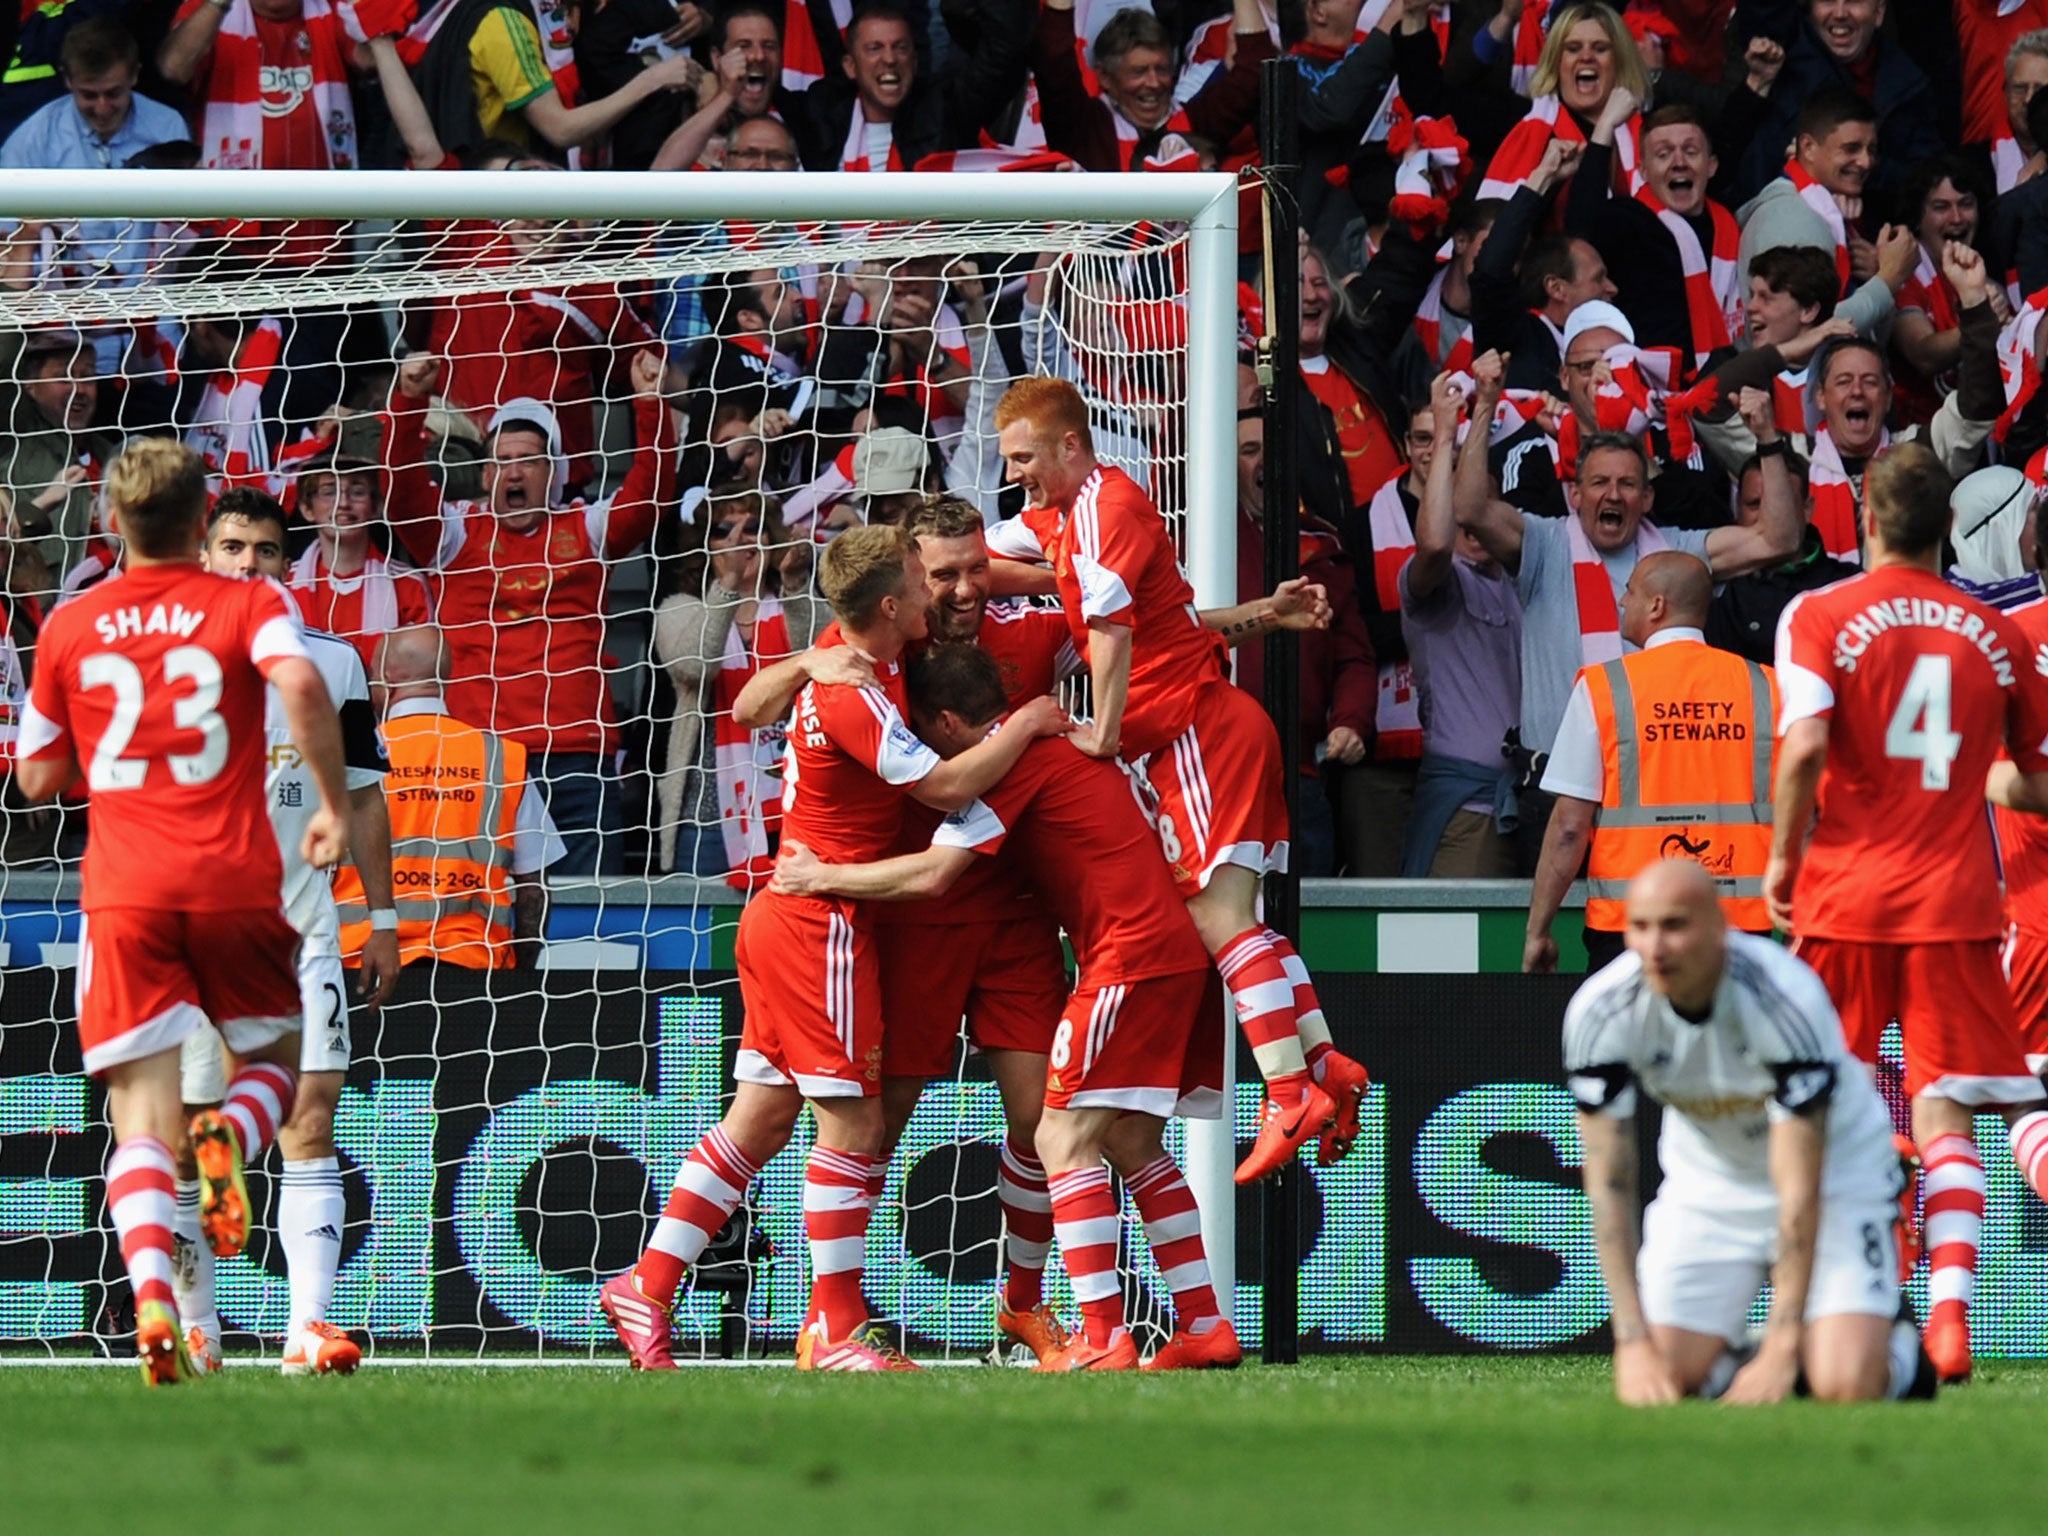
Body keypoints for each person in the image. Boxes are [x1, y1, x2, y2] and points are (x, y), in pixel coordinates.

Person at [598, 525, 1071, 1372]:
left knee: (762, 1117)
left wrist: (800, 665)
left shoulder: (859, 653)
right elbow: (947, 784)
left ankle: (648, 1281)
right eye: (924, 585)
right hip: (824, 921)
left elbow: (757, 701)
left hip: (786, 916)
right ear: (892, 605)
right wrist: (1031, 719)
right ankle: (836, 1331)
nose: (942, 595)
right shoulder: (855, 690)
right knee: (854, 1128)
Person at [772, 642, 1238, 1372]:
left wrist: (819, 874)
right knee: (1133, 1144)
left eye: (924, 732)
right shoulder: (1076, 746)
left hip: (1128, 961)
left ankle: (1104, 1336)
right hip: (1181, 954)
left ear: (949, 723)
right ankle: (1206, 1325)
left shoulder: (1017, 766)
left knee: (1058, 1141)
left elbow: (933, 874)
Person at [13, 437, 351, 1385]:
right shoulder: (246, 607)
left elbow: (36, 776)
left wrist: (116, 761)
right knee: (279, 1074)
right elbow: (295, 683)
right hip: (236, 883)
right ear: (202, 523)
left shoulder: (72, 626)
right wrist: (325, 799)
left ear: (113, 524)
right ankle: (232, 1141)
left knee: (138, 1117)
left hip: (125, 891)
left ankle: (152, 1290)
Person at [986, 376, 1371, 1185]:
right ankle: (1325, 1063)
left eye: (1024, 457)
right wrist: (1267, 612)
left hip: (1195, 731)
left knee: (1217, 920)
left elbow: (1116, 630)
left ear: (1069, 446)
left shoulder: (1106, 507)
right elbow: (1172, 619)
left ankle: (1288, 1092)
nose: (1014, 471)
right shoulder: (1061, 518)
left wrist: (1101, 730)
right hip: (1204, 727)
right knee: (1237, 920)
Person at [1770, 440, 2048, 1385]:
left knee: (1827, 1096)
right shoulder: (1996, 633)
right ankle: (1949, 1318)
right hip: (1962, 899)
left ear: (1870, 518)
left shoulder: (1816, 613)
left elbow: (1805, 747)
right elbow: (2031, 783)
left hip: (1844, 896)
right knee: (1951, 1109)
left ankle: (1832, 1293)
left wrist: (1780, 855)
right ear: (1949, 530)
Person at [1566, 860, 1934, 1405]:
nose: (1655, 947)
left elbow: (1798, 1185)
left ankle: (1893, 1346)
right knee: (1664, 1377)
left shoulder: (1783, 998)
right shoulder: (1601, 1013)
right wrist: (1633, 1340)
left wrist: (1783, 1347)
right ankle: (1747, 1354)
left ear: (1720, 927)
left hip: (1836, 1179)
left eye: (1674, 925)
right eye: (1640, 927)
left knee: (1848, 1384)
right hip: (1708, 1189)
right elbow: (1609, 1183)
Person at [173, 488, 398, 1379]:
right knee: (198, 1135)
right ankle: (199, 1327)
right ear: (205, 555)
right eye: (233, 547)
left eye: (267, 551)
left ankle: (309, 1327)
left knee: (312, 1114)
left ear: (288, 564)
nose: (250, 565)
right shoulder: (166, 659)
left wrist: (380, 919)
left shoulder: (333, 663)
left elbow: (367, 795)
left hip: (305, 928)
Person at [1452, 350, 1800, 866]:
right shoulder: (1544, 545)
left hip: (1651, 788)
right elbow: (1471, 510)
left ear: (1647, 499)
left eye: (1627, 484)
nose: (1611, 494)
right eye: (1598, 483)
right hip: (1553, 790)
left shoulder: (1678, 554)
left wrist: (1769, 441)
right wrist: (1484, 405)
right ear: (1574, 495)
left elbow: (1778, 538)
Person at [385, 351, 677, 877]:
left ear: (555, 472)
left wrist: (650, 403)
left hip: (576, 762)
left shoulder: (586, 528)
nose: (511, 473)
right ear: (483, 473)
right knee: (486, 912)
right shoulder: (455, 534)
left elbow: (649, 496)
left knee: (588, 922)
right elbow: (401, 494)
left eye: (527, 460)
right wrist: (408, 401)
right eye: (499, 461)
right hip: (482, 761)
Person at [1525, 550, 1779, 975]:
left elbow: (1570, 828)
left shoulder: (1606, 688)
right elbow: (1805, 817)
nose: (1623, 602)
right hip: (1739, 929)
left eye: (1630, 591)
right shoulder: (1766, 688)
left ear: (1657, 605)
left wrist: (1538, 930)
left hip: (1631, 930)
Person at [334, 624, 565, 969]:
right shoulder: (501, 759)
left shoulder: (350, 755)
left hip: (361, 964)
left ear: (386, 676)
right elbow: (535, 888)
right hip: (474, 969)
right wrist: (522, 968)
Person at [649, 495, 824, 880]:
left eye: (753, 528)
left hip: (799, 811)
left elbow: (821, 654)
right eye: (724, 531)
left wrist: (794, 584)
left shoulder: (798, 601)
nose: (741, 539)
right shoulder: (679, 608)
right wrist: (728, 582)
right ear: (704, 546)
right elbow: (697, 664)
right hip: (706, 818)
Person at [1237, 389, 1374, 877]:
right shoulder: (1196, 541)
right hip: (1221, 774)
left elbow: (1354, 657)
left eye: (1272, 449)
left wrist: (1351, 722)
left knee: (1309, 923)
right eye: (1249, 450)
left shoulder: (1323, 543)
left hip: (1302, 776)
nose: (1263, 462)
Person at [1399, 373, 1521, 879]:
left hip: (1527, 805)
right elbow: (1433, 546)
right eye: (1459, 515)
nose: (1471, 526)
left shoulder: (1521, 581)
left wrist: (1488, 404)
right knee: (1447, 958)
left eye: (1482, 512)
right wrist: (1447, 433)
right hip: (1468, 812)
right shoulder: (1437, 584)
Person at [0, 19, 186, 287]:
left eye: (113, 93)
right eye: (88, 95)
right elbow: (5, 243)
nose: (102, 107)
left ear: (134, 75)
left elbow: (189, 232)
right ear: (67, 79)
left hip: (155, 308)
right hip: (61, 316)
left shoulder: (168, 126)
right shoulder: (34, 137)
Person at [1729, 0, 1946, 204]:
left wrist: (1853, 168)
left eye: (1854, 1)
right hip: (1779, 226)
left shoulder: (1909, 85)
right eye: (1827, 0)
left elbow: (1929, 182)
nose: (1840, 13)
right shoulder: (1779, 61)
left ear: (1879, 12)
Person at [283, 387, 436, 667]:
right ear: (306, 508)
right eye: (329, 491)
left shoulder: (408, 584)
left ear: (376, 505)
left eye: (357, 491)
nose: (343, 503)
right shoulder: (284, 583)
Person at [785, 0, 1031, 171]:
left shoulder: (947, 110)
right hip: (836, 248)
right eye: (875, 48)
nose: (890, 59)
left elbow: (1004, 52)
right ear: (850, 66)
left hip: (928, 247)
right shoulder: (818, 117)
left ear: (914, 61)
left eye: (900, 48)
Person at [0, 327, 119, 599]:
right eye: (63, 376)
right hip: (50, 612)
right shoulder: (15, 437)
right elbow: (5, 354)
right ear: (29, 386)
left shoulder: (113, 455)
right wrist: (16, 297)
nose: (79, 389)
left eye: (87, 376)